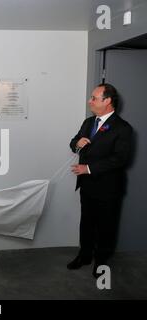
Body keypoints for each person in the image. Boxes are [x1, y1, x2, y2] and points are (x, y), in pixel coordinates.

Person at [68, 83, 133, 278]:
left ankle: (101, 261)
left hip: (108, 188)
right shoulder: (88, 122)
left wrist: (87, 168)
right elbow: (74, 143)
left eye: (94, 98)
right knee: (86, 223)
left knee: (106, 226)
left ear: (107, 101)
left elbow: (120, 159)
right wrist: (76, 144)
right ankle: (84, 255)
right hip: (87, 186)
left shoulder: (123, 128)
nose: (90, 101)